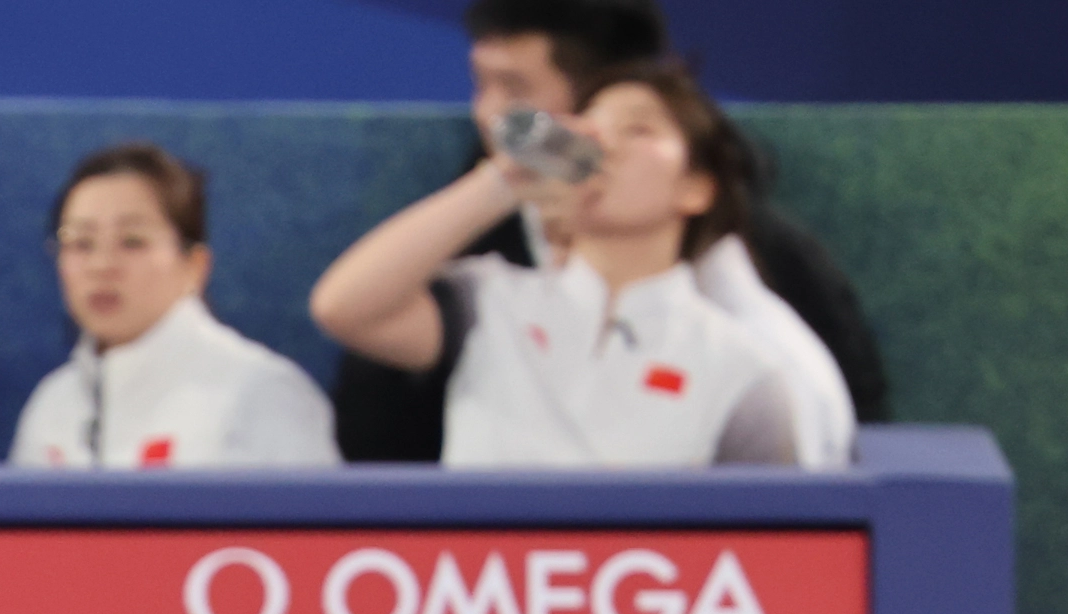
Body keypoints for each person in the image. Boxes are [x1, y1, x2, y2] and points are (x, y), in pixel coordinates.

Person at [331, 0, 878, 466]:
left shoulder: (758, 302)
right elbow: (352, 325)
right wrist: (500, 182)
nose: (493, 115)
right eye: (482, 84)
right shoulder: (477, 272)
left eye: (516, 89)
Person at [11, 145, 334, 471]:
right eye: (81, 243)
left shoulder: (261, 392)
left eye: (132, 241)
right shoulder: (52, 404)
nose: (102, 265)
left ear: (195, 265)